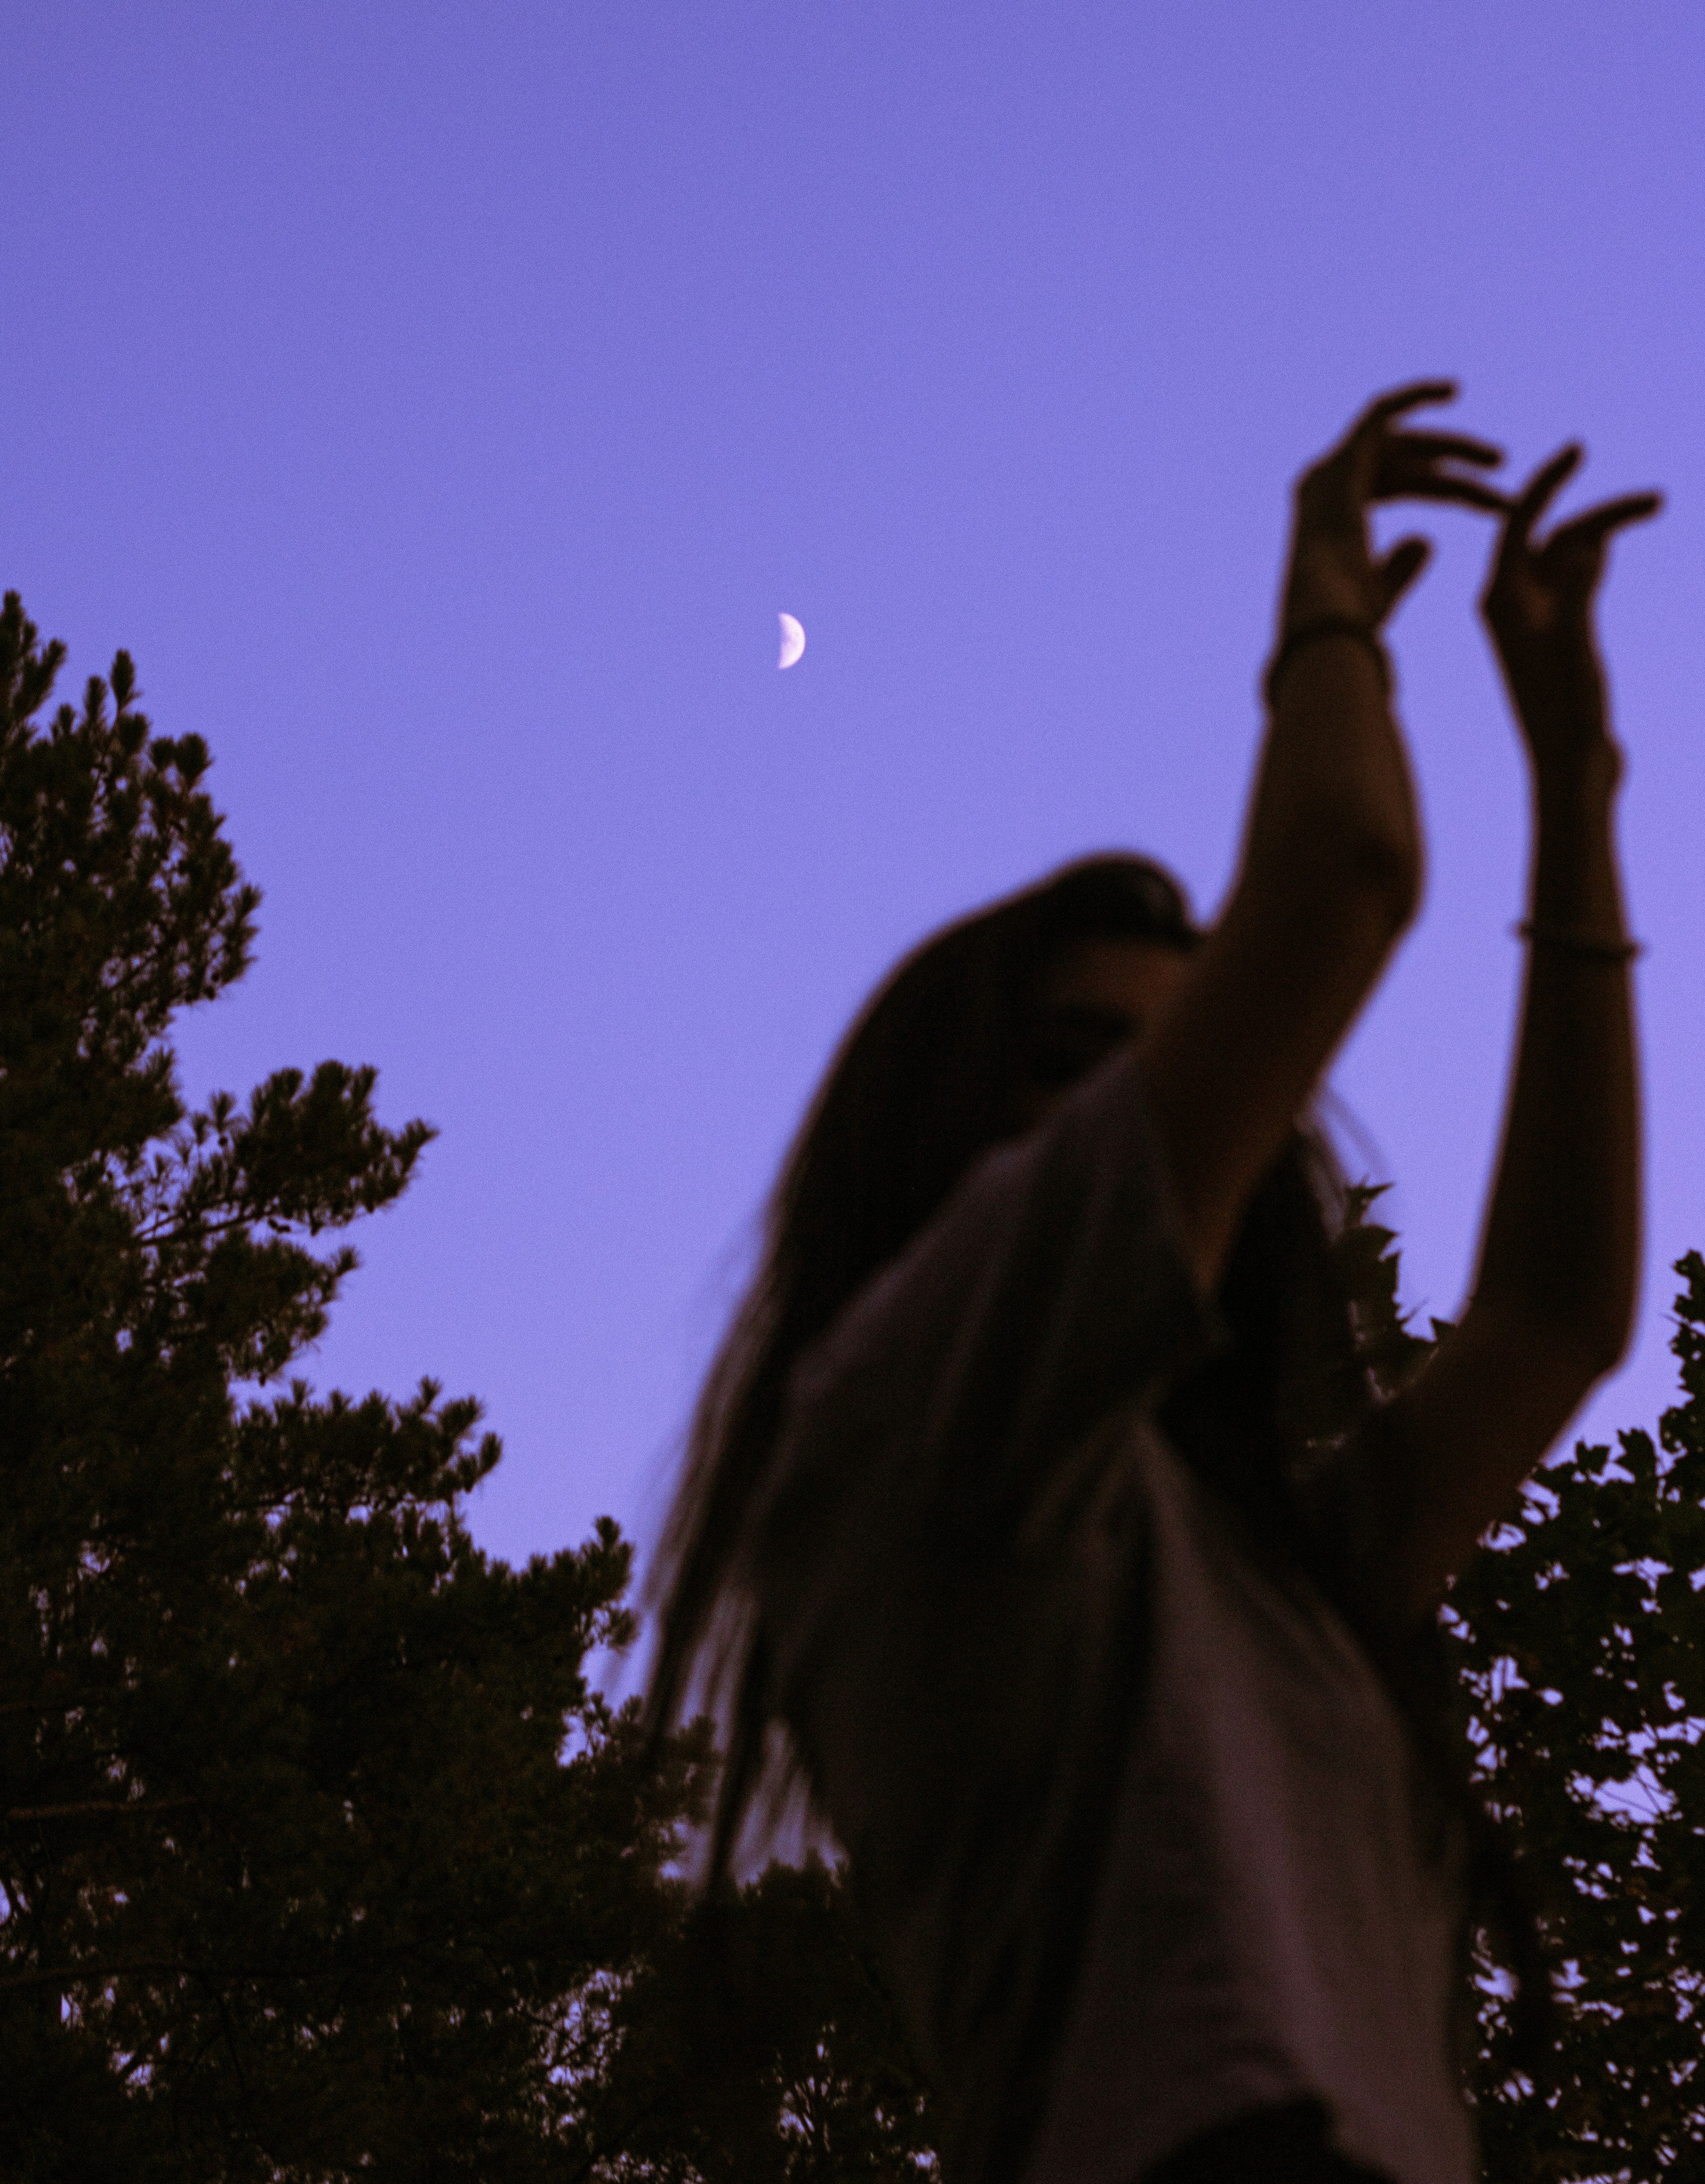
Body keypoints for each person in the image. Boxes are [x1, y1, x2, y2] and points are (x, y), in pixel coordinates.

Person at [643, 383, 1658, 2184]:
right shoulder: (909, 1407)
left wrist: (1574, 796)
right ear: (938, 1112)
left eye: (1182, 1071)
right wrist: (1321, 594)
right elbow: (1342, 874)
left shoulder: (1253, 1559)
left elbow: (1552, 1320)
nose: (1156, 1113)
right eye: (1075, 1062)